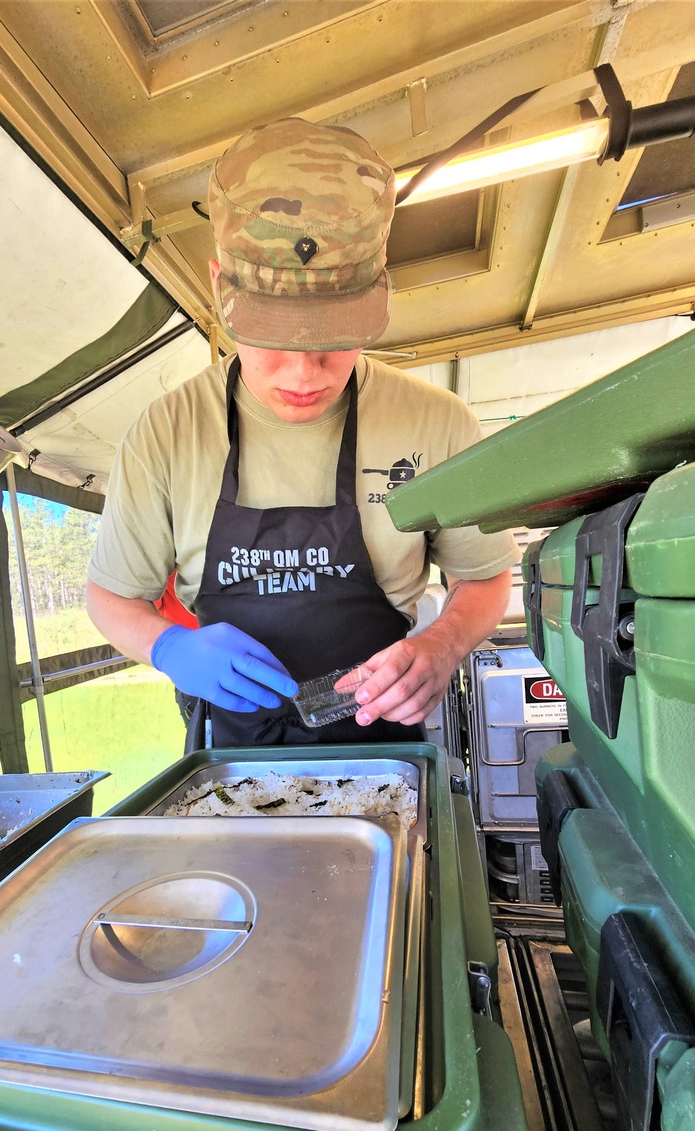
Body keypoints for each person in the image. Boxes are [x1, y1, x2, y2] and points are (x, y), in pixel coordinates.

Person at [86, 117, 519, 748]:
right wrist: (169, 646)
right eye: (270, 337)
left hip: (385, 748)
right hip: (229, 760)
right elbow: (111, 597)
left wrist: (442, 645)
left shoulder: (436, 424)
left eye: (332, 339)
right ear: (218, 287)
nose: (303, 373)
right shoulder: (167, 434)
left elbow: (484, 575)